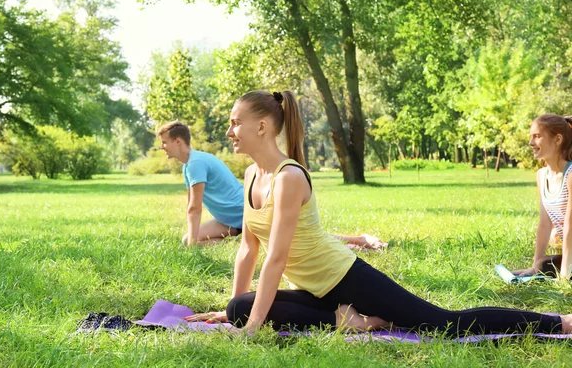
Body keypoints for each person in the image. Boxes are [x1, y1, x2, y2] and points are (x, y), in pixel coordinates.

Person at [185, 91, 572, 335]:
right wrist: (234, 310)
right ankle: (349, 320)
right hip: (315, 288)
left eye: (236, 123)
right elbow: (247, 251)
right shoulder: (252, 174)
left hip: (344, 277)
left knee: (444, 323)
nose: (230, 130)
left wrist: (253, 328)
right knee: (238, 308)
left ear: (263, 126)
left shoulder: (289, 178)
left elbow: (276, 258)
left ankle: (559, 322)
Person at [158, 121, 387, 249]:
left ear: (178, 142)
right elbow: (193, 206)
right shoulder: (189, 164)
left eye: (164, 143)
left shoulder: (196, 163)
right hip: (230, 220)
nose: (162, 147)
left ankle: (359, 240)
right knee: (189, 240)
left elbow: (194, 208)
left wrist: (191, 245)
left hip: (245, 212)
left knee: (301, 238)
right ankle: (238, 238)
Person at [513, 114, 572, 278]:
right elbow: (545, 224)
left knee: (557, 269)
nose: (531, 143)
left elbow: (570, 228)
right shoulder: (541, 175)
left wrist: (565, 275)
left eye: (537, 136)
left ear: (557, 139)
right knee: (541, 264)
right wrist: (535, 265)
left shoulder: (571, 175)